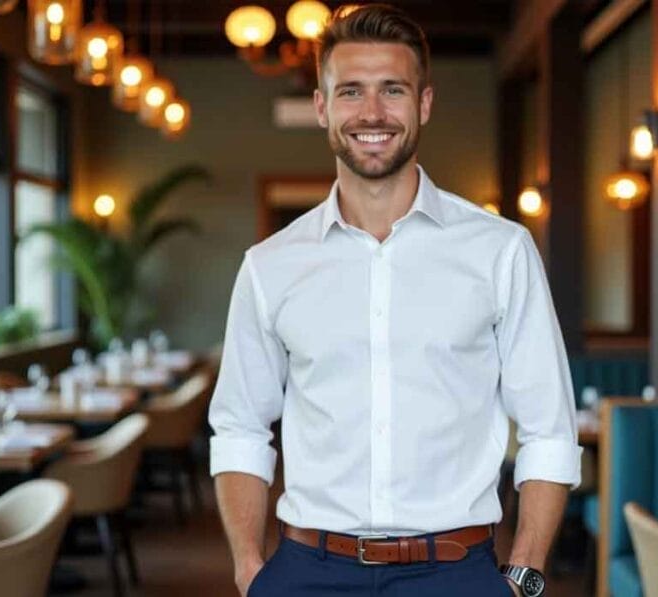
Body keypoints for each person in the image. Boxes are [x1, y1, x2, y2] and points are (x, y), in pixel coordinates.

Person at [208, 5, 580, 596]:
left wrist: (525, 573)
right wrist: (251, 570)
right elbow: (240, 429)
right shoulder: (270, 265)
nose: (373, 113)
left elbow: (550, 432)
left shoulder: (501, 250)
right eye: (351, 91)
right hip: (307, 571)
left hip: (459, 572)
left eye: (393, 90)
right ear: (323, 107)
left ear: (424, 104)